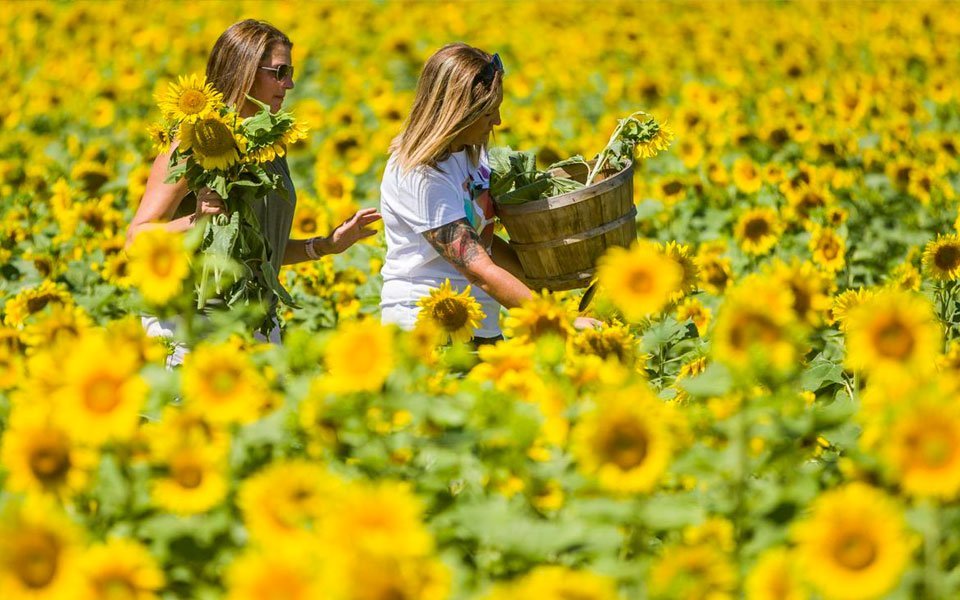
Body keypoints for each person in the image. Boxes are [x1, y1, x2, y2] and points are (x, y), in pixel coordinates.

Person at [127, 19, 380, 360]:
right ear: (243, 71)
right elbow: (136, 239)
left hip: (257, 325)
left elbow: (259, 249)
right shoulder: (194, 138)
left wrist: (324, 246)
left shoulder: (270, 145)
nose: (289, 83)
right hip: (191, 332)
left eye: (290, 72)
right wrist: (197, 220)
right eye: (279, 72)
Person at [379, 43, 594, 343]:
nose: (497, 122)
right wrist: (561, 322)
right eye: (487, 113)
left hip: (478, 323)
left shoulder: (470, 155)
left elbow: (486, 244)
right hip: (427, 332)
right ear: (457, 113)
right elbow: (479, 269)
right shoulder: (420, 174)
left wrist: (555, 282)